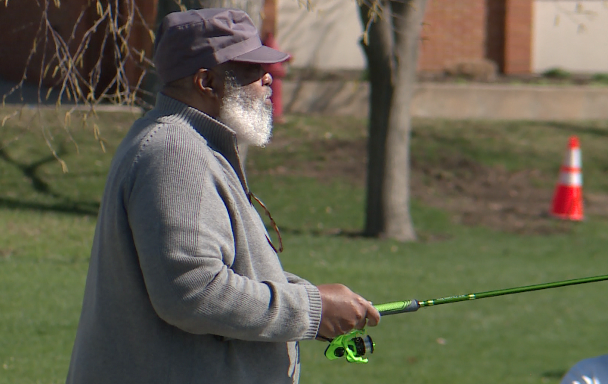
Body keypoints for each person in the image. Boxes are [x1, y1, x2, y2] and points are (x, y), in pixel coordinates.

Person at [65, 8, 380, 384]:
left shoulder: (180, 142)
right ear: (206, 82)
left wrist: (310, 299)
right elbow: (193, 292)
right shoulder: (176, 152)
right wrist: (311, 309)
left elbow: (206, 276)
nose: (268, 78)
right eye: (251, 69)